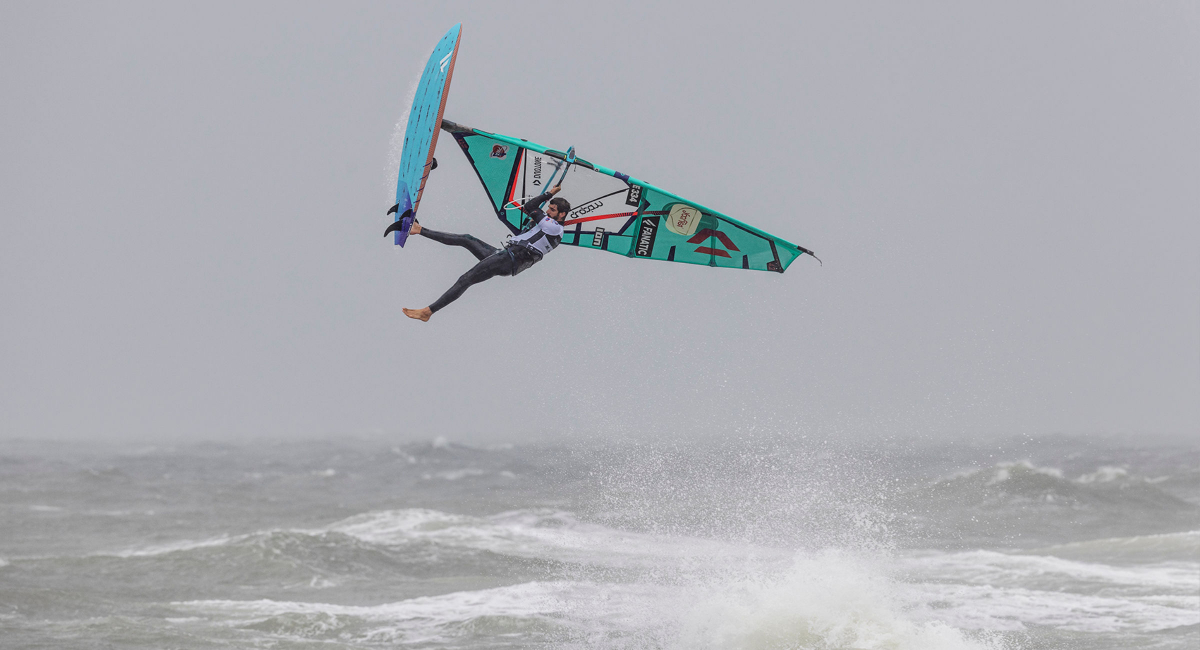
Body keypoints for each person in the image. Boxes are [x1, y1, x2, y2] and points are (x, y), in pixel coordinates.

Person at [400, 185, 570, 322]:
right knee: (466, 239)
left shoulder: (553, 227)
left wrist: (549, 193)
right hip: (507, 257)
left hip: (509, 259)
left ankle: (428, 312)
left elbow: (529, 206)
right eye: (549, 208)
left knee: (466, 279)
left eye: (553, 210)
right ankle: (418, 229)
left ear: (562, 214)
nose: (548, 211)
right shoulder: (552, 230)